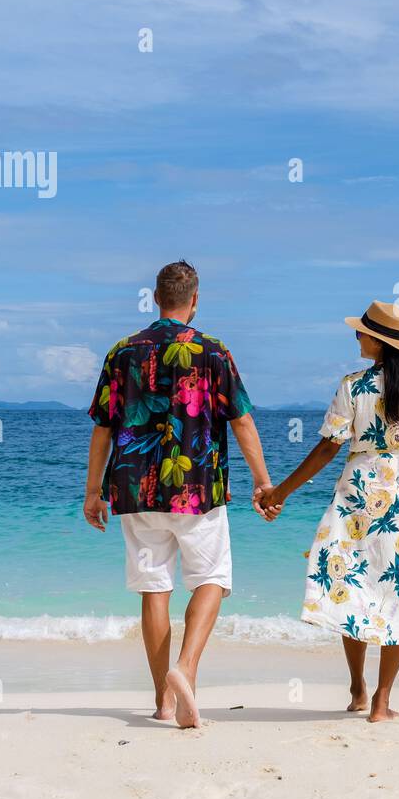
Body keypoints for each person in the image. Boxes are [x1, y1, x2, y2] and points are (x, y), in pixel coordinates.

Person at [83, 260, 273, 729]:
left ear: (154, 297)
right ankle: (184, 670)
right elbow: (242, 420)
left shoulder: (122, 352)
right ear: (195, 299)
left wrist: (93, 491)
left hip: (134, 487)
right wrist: (263, 481)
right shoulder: (214, 351)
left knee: (153, 588)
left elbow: (104, 428)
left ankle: (162, 701)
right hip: (198, 489)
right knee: (211, 579)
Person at [257, 300, 399, 723]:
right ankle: (381, 702)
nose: (357, 336)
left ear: (380, 342)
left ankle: (356, 687)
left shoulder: (353, 386)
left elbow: (329, 448)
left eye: (363, 332)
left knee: (353, 586)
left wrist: (283, 491)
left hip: (358, 493)